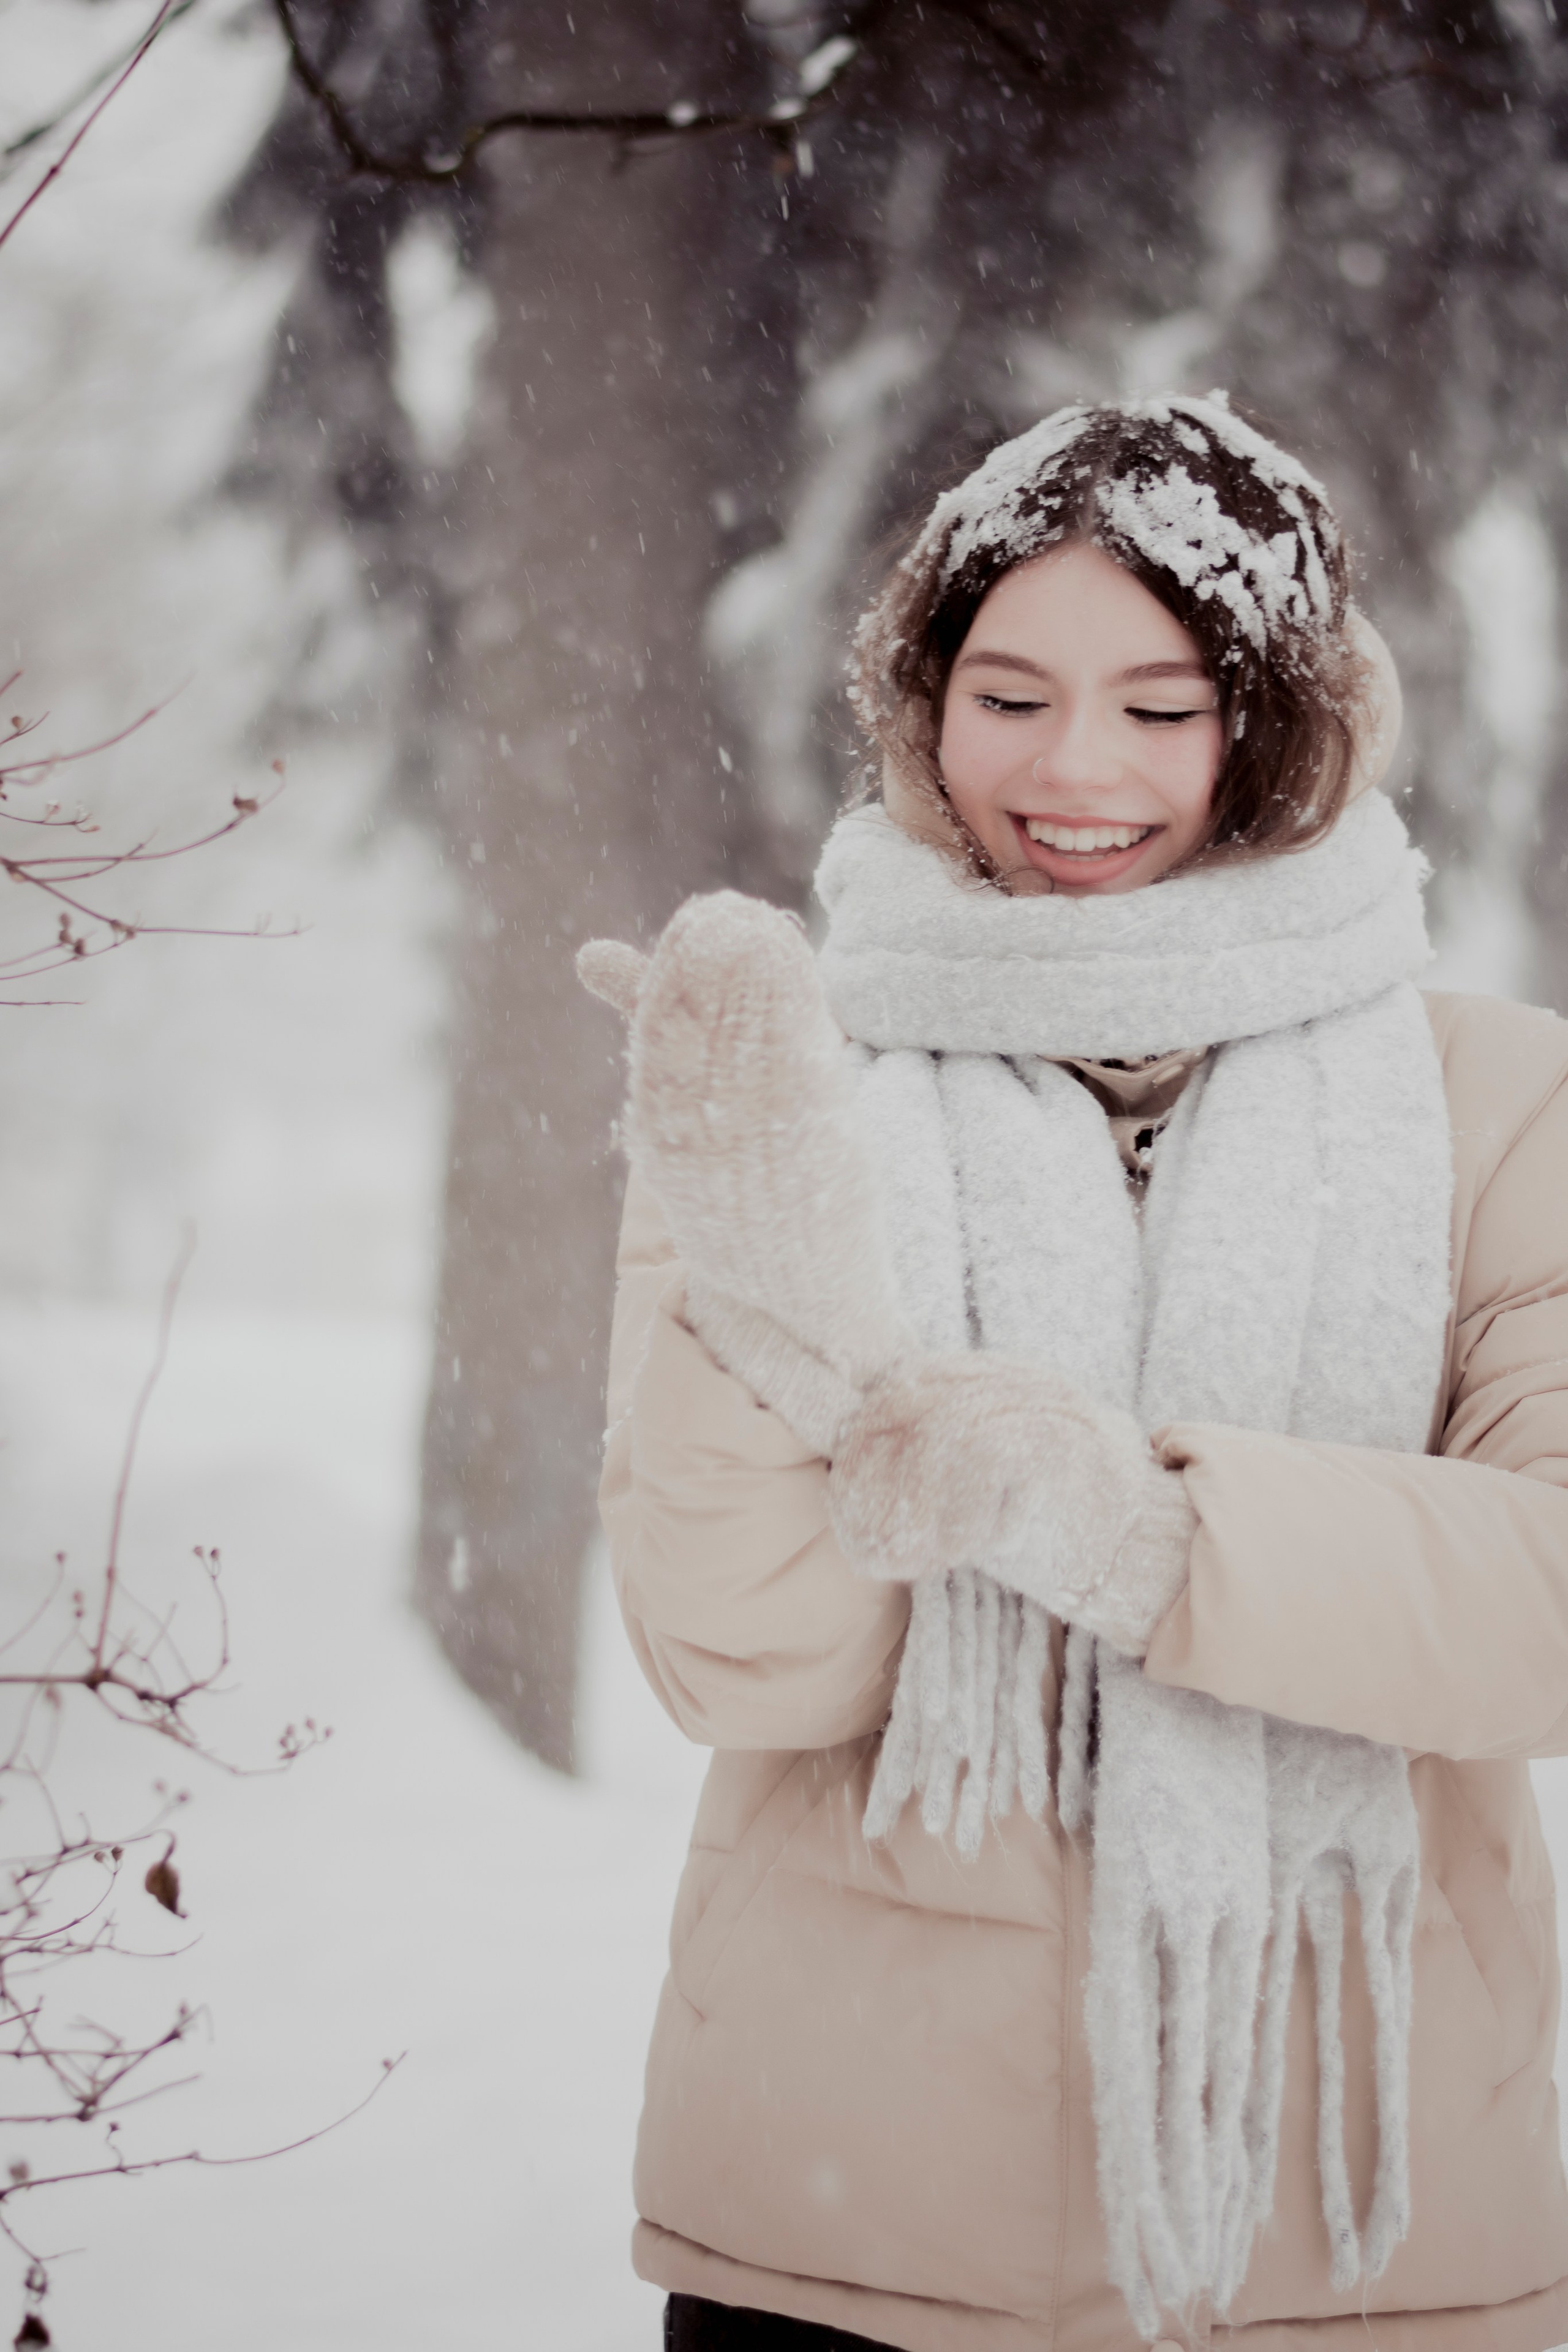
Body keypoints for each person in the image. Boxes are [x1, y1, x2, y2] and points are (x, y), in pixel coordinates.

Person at [579, 396, 1568, 2351]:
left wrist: (1147, 1535)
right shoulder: (793, 1081)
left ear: (1276, 723)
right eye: (1009, 696)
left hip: (1348, 2251)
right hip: (847, 2237)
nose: (1074, 768)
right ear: (924, 710)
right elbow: (741, 1664)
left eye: (1161, 705)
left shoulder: (1499, 1104)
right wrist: (761, 1280)